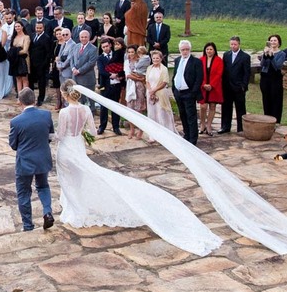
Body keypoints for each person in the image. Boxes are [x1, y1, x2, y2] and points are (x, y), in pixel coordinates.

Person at [54, 81, 221, 255]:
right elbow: (94, 132)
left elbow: (60, 135)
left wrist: (50, 135)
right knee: (80, 178)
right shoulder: (86, 110)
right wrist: (81, 132)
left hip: (66, 149)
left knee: (67, 179)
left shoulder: (65, 112)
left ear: (64, 94)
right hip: (78, 147)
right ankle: (78, 210)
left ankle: (75, 212)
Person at [9, 88, 54, 231]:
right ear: (34, 100)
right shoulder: (46, 115)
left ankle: (28, 225)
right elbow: (50, 136)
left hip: (25, 162)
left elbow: (13, 144)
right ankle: (47, 212)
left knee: (23, 192)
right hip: (42, 158)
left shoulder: (16, 122)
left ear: (20, 102)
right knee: (43, 186)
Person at [172, 40, 204, 145]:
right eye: (182, 50)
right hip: (178, 92)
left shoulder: (196, 62)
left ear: (190, 50)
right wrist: (174, 89)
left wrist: (193, 92)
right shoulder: (177, 60)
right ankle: (186, 134)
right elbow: (176, 74)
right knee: (183, 114)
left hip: (189, 92)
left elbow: (199, 78)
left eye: (187, 49)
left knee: (191, 116)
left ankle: (193, 138)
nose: (185, 52)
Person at [97, 38, 124, 136]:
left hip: (116, 85)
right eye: (103, 47)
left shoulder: (117, 55)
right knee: (104, 107)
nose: (105, 48)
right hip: (106, 85)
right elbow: (101, 70)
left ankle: (116, 127)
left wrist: (119, 74)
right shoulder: (100, 58)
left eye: (107, 46)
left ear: (110, 45)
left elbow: (122, 66)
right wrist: (110, 75)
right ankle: (102, 126)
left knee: (116, 106)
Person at [199, 42, 225, 137]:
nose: (209, 51)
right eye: (207, 49)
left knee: (212, 106)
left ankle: (209, 125)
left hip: (214, 87)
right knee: (203, 107)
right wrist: (203, 84)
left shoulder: (219, 60)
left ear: (214, 50)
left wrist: (211, 85)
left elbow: (219, 74)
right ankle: (202, 125)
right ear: (205, 50)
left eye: (211, 49)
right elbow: (198, 73)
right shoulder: (201, 60)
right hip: (203, 87)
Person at [123, 46, 149, 140]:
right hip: (131, 86)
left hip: (139, 87)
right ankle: (132, 129)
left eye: (132, 52)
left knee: (139, 108)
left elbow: (144, 74)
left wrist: (141, 78)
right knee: (130, 108)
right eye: (129, 52)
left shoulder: (140, 61)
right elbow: (128, 75)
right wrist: (139, 78)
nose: (130, 54)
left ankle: (141, 130)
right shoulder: (127, 62)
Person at [145, 50, 174, 132]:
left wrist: (154, 90)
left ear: (161, 59)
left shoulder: (163, 69)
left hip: (160, 93)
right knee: (151, 113)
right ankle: (153, 133)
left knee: (161, 112)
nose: (155, 60)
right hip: (150, 93)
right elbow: (147, 81)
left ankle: (164, 131)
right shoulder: (149, 68)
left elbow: (164, 82)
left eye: (157, 58)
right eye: (153, 58)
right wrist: (150, 91)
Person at [28, 20, 55, 106]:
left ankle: (40, 99)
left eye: (40, 28)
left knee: (41, 83)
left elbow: (48, 53)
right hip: (32, 63)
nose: (38, 29)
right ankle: (31, 98)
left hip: (42, 64)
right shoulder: (32, 36)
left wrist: (44, 64)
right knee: (31, 82)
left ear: (43, 28)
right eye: (37, 28)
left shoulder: (46, 38)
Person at [259, 34, 285, 123]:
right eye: (271, 41)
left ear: (279, 43)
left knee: (275, 100)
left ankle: (276, 121)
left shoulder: (282, 54)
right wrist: (265, 54)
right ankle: (267, 120)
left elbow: (277, 66)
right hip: (265, 78)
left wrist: (271, 56)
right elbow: (262, 65)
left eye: (275, 40)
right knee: (266, 100)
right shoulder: (266, 51)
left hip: (275, 79)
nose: (273, 42)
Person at [9, 20, 31, 93]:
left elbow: (25, 50)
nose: (17, 28)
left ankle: (25, 96)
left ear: (22, 27)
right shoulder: (14, 37)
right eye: (15, 26)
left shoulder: (26, 37)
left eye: (18, 26)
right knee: (18, 78)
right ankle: (19, 96)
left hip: (23, 59)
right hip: (15, 60)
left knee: (24, 78)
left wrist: (14, 52)